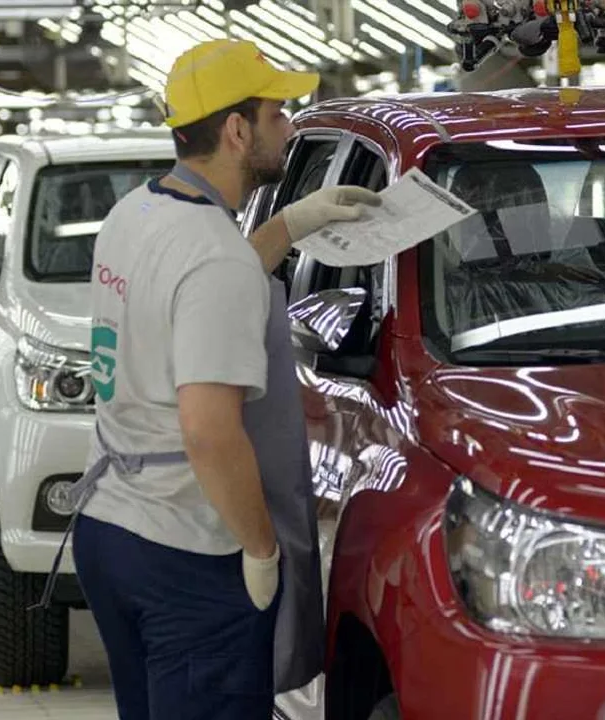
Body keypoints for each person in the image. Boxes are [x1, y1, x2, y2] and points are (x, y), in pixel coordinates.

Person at [58, 39, 382, 720]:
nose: (291, 129)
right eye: (278, 114)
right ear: (237, 130)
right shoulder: (215, 257)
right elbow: (210, 431)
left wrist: (292, 224)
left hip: (109, 527)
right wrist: (262, 552)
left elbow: (195, 286)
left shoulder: (136, 214)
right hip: (187, 550)